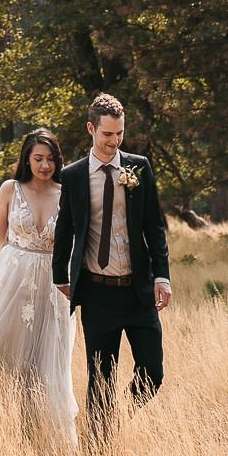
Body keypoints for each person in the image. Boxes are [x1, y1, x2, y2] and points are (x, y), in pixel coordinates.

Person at [51, 92, 171, 426]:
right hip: (97, 293)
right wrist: (60, 276)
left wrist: (162, 276)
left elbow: (154, 225)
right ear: (91, 129)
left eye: (119, 133)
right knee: (100, 380)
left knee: (153, 371)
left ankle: (124, 416)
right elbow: (65, 227)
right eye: (107, 134)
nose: (114, 141)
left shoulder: (138, 167)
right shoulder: (74, 176)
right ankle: (99, 451)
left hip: (138, 290)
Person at [0, 128, 77, 443]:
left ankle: (41, 439)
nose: (45, 165)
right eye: (38, 158)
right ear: (27, 159)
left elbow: (79, 241)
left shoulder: (67, 192)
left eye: (50, 159)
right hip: (11, 283)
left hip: (54, 287)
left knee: (47, 364)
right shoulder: (10, 189)